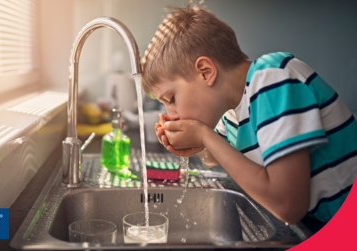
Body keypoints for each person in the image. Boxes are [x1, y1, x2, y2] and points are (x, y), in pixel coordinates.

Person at [143, 1, 357, 226]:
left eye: (171, 99)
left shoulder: (272, 78)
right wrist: (193, 145)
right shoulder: (232, 111)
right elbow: (213, 157)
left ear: (205, 73)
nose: (171, 115)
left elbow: (288, 206)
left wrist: (203, 136)